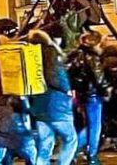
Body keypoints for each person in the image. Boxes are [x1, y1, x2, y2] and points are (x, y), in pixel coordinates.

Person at [28, 29, 78, 165]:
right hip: (56, 103)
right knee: (71, 139)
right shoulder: (50, 52)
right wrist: (67, 89)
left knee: (45, 144)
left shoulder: (29, 56)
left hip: (38, 103)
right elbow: (56, 75)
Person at [0, 36, 38, 165]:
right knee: (27, 145)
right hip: (11, 108)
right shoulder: (2, 66)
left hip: (1, 107)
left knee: (2, 143)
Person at [68, 31, 109, 165]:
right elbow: (99, 78)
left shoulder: (75, 55)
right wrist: (106, 91)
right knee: (95, 127)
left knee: (88, 125)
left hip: (81, 94)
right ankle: (91, 155)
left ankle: (72, 153)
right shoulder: (93, 57)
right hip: (93, 94)